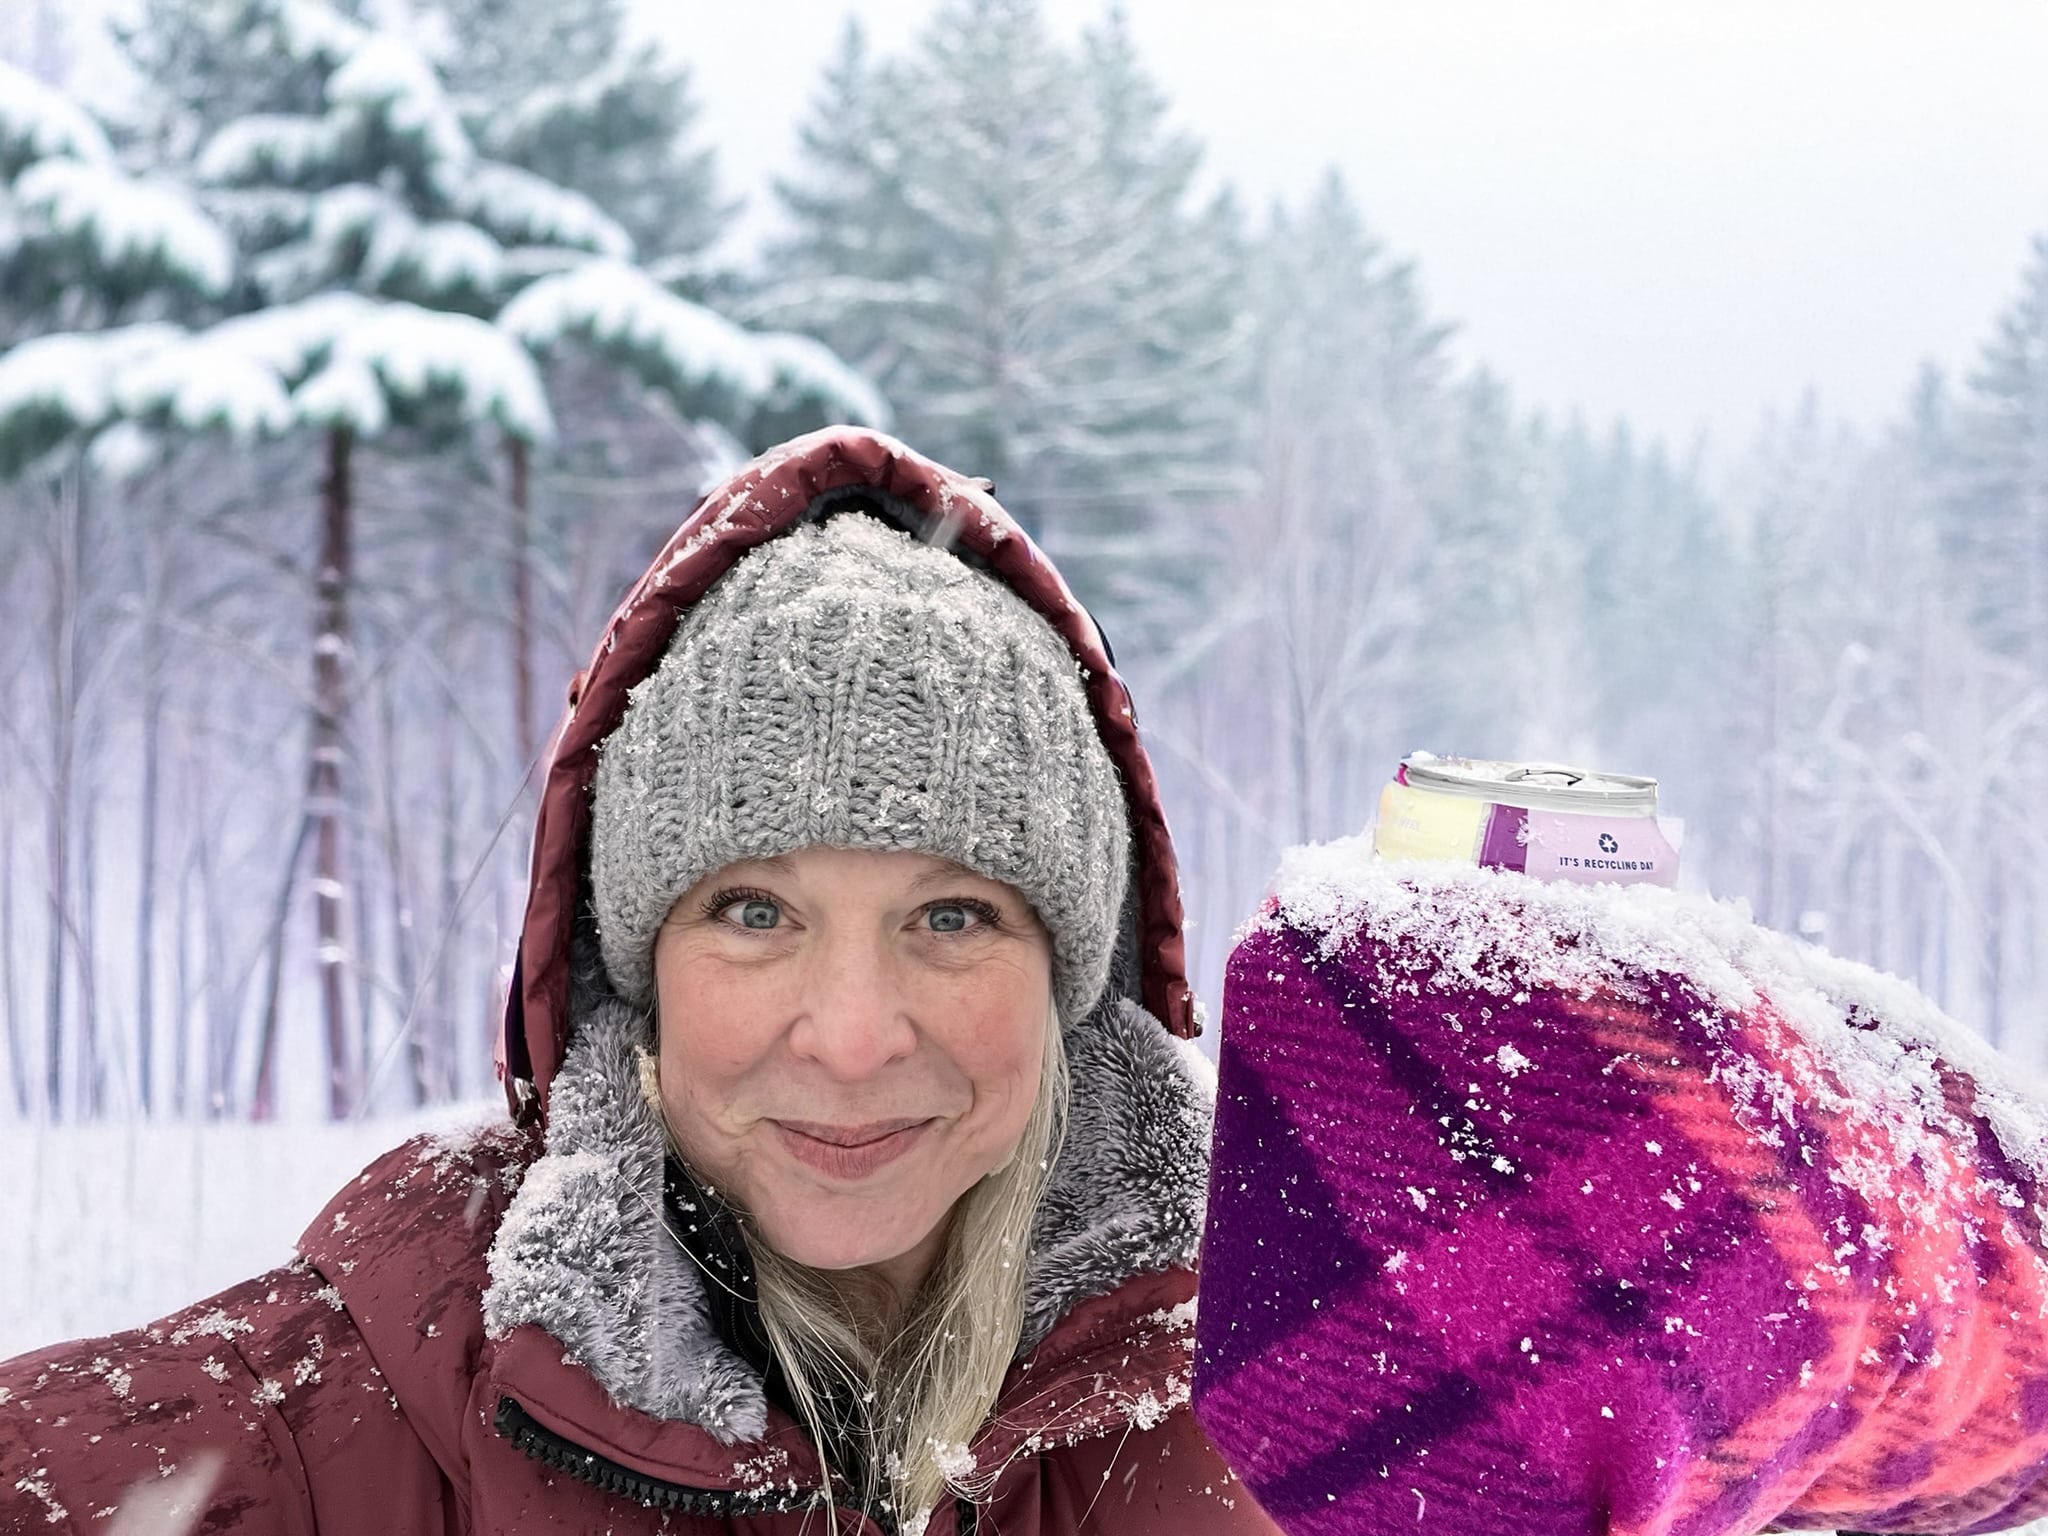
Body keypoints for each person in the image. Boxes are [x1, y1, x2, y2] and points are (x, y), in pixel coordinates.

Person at [0, 428, 1279, 1536]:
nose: (847, 1038)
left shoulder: (1283, 1408)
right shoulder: (329, 1427)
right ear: (634, 982)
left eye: (951, 916)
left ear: (1069, 984)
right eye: (753, 911)